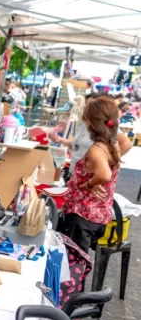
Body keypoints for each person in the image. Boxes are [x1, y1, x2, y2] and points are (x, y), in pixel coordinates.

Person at [58, 98, 122, 253]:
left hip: (83, 215)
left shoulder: (97, 149)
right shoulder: (112, 144)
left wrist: (89, 184)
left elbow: (105, 175)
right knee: (78, 259)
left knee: (73, 260)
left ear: (90, 122)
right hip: (98, 213)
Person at [50, 94, 131, 179]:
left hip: (87, 177)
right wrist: (60, 140)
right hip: (76, 173)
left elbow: (126, 144)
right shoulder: (85, 124)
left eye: (89, 104)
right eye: (86, 103)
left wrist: (106, 162)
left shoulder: (103, 134)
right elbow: (78, 144)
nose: (85, 106)